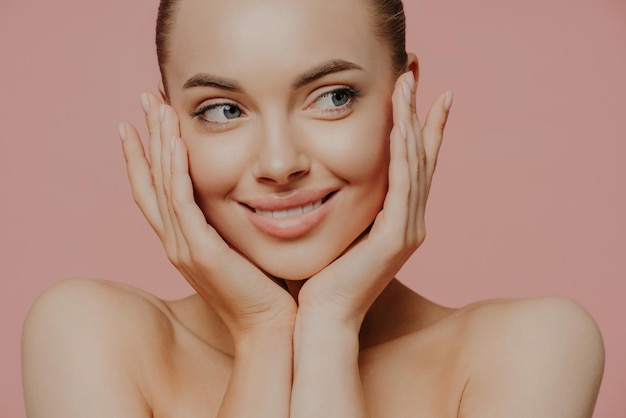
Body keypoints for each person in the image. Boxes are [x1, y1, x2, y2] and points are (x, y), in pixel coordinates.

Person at [21, 0, 605, 416]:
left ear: (404, 97)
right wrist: (262, 333)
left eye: (332, 97)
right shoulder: (92, 338)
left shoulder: (529, 350)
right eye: (222, 109)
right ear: (169, 122)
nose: (279, 163)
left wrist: (328, 328)